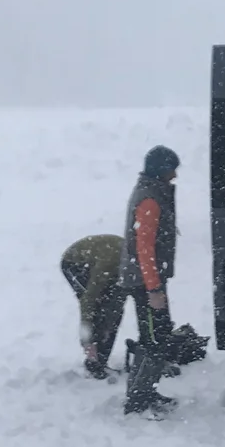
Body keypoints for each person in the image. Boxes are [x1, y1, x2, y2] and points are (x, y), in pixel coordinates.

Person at [120, 144, 181, 417]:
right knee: (154, 341)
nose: (174, 176)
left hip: (146, 279)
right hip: (146, 282)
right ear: (161, 170)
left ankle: (145, 392)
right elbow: (145, 248)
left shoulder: (153, 192)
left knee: (155, 336)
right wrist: (154, 288)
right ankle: (138, 401)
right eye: (171, 170)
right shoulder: (150, 199)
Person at [60, 234, 128, 379]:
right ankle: (93, 359)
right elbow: (88, 300)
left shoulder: (132, 272)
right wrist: (87, 339)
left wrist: (109, 326)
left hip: (107, 263)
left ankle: (100, 361)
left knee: (112, 312)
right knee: (96, 308)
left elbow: (118, 302)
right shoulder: (108, 264)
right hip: (75, 263)